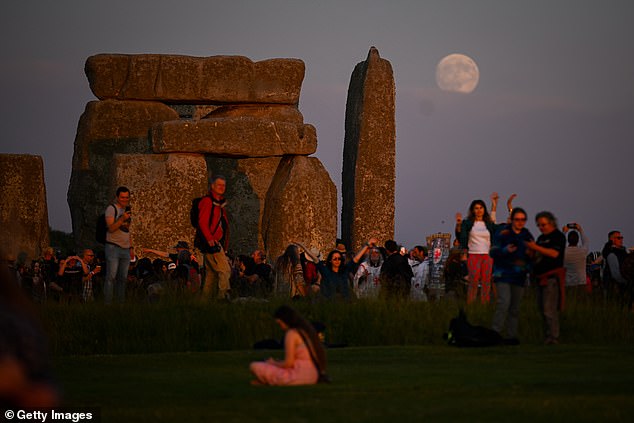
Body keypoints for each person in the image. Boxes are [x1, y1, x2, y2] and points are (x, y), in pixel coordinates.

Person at [249, 305, 328, 386]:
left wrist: (273, 363)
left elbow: (288, 363)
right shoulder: (307, 332)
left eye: (280, 324)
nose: (281, 327)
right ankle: (267, 381)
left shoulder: (291, 334)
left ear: (285, 321)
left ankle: (269, 381)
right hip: (313, 376)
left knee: (254, 366)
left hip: (298, 376)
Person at [490, 207, 534, 344]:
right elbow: (493, 251)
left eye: (523, 220)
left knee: (514, 307)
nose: (520, 222)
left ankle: (511, 336)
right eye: (517, 219)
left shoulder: (527, 235)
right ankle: (495, 334)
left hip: (518, 275)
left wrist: (529, 259)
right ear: (512, 219)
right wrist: (505, 250)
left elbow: (532, 253)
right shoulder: (503, 233)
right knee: (504, 302)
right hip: (503, 274)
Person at [527, 211, 567, 345]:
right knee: (542, 308)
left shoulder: (558, 237)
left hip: (551, 277)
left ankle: (553, 337)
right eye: (539, 225)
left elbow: (554, 253)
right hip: (540, 277)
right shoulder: (541, 238)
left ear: (551, 223)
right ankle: (547, 335)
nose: (541, 228)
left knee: (549, 308)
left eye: (543, 225)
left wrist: (536, 247)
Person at [455, 192, 500, 304]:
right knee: (473, 282)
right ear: (473, 210)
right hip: (474, 254)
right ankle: (471, 306)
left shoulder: (488, 223)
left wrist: (494, 205)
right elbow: (461, 236)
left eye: (481, 208)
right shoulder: (468, 223)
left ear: (484, 209)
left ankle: (484, 305)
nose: (479, 210)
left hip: (487, 255)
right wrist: (459, 224)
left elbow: (495, 224)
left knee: (486, 282)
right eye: (476, 208)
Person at [299, 239, 375, 301]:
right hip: (330, 305)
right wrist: (303, 247)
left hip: (344, 304)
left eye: (339, 258)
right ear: (330, 261)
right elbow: (315, 259)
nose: (337, 260)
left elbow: (356, 259)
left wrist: (367, 245)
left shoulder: (345, 270)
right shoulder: (326, 271)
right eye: (335, 259)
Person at [197, 175, 232, 301]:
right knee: (225, 270)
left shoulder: (218, 203)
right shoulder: (207, 202)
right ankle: (222, 298)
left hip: (214, 243)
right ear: (212, 186)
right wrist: (210, 238)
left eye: (223, 185)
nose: (222, 187)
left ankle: (204, 302)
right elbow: (202, 222)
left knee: (211, 275)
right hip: (213, 243)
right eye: (219, 185)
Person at [104, 186, 133, 304]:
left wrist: (131, 247)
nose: (124, 199)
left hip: (125, 249)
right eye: (122, 197)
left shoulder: (127, 210)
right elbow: (110, 228)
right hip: (113, 247)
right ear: (117, 197)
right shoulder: (111, 209)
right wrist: (121, 219)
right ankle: (108, 304)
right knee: (111, 278)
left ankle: (120, 304)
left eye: (127, 197)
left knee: (123, 279)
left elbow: (127, 231)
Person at [601, 230, 630, 304]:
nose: (621, 239)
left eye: (621, 237)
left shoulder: (622, 251)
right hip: (613, 287)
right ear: (612, 240)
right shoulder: (611, 253)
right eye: (619, 238)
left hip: (622, 286)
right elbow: (615, 275)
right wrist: (628, 281)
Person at [562, 223, 590, 299]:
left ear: (568, 240)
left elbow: (558, 244)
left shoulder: (564, 252)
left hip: (568, 283)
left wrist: (564, 232)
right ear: (578, 240)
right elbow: (586, 242)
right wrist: (580, 230)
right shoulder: (582, 251)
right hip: (581, 283)